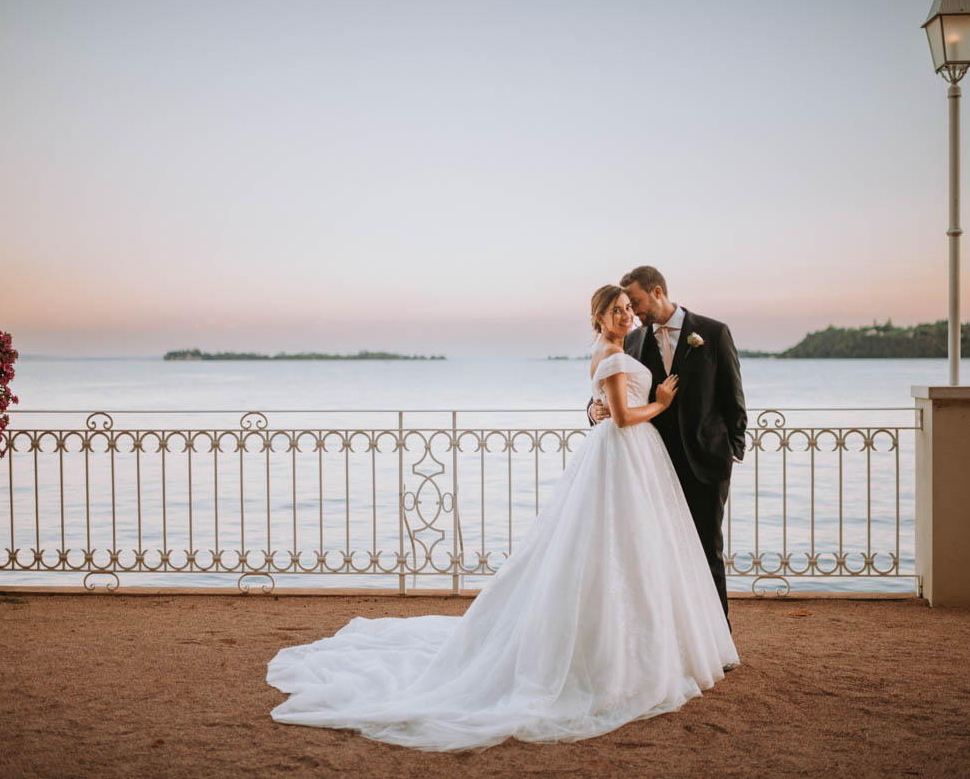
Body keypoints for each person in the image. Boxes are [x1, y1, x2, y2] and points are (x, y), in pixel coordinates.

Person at [267, 285, 737, 752]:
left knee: (628, 550)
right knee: (616, 547)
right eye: (617, 310)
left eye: (628, 309)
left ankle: (644, 647)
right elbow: (616, 412)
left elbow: (616, 398)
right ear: (599, 318)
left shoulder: (628, 345)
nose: (627, 315)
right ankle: (615, 658)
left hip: (639, 459)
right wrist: (659, 403)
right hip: (626, 449)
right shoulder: (616, 352)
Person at [590, 266, 747, 624]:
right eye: (626, 306)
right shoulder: (630, 340)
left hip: (705, 462)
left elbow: (733, 398)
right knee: (659, 552)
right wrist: (593, 410)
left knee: (707, 549)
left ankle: (717, 636)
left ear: (658, 292)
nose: (634, 312)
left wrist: (731, 451)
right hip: (650, 464)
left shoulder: (712, 332)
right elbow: (610, 393)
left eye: (637, 303)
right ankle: (676, 639)